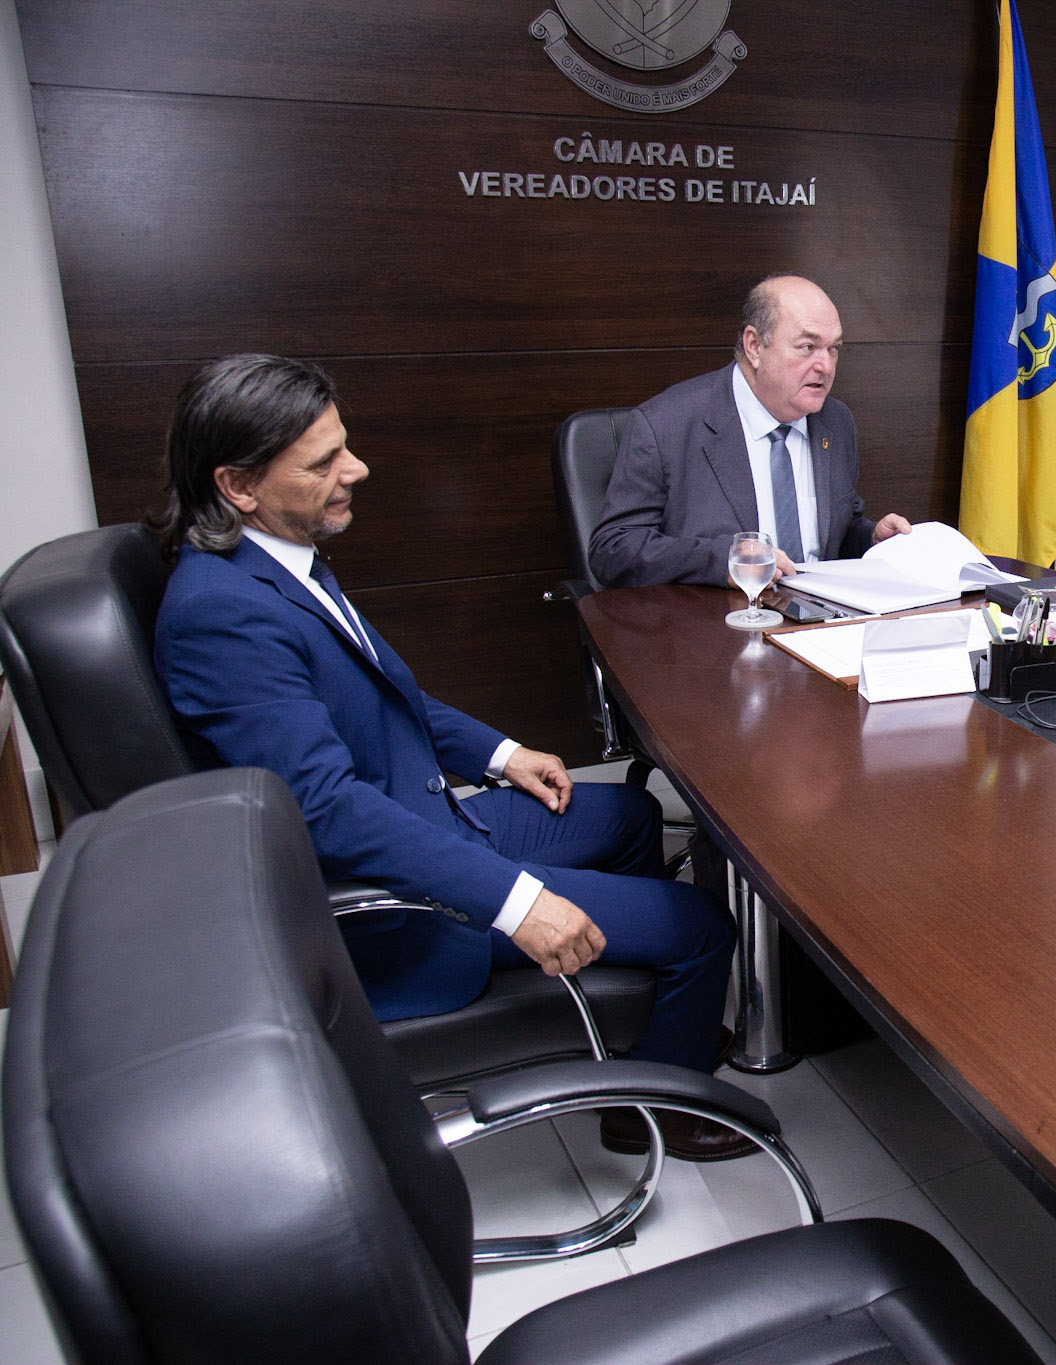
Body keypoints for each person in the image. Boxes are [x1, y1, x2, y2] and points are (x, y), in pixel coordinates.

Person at [153, 354, 747, 1160]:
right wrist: (515, 902)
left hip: (432, 807)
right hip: (398, 895)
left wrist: (503, 754)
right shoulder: (221, 616)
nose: (355, 470)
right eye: (324, 461)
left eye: (345, 446)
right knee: (705, 924)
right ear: (238, 485)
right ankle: (650, 1113)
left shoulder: (275, 559)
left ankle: (637, 1042)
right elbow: (326, 811)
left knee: (633, 813)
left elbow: (385, 695)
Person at [589, 274, 913, 587]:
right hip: (716, 625)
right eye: (807, 347)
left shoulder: (836, 421)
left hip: (820, 624)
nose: (825, 366)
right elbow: (612, 549)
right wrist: (721, 560)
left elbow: (837, 533)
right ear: (755, 346)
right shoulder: (665, 425)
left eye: (833, 349)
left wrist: (870, 539)